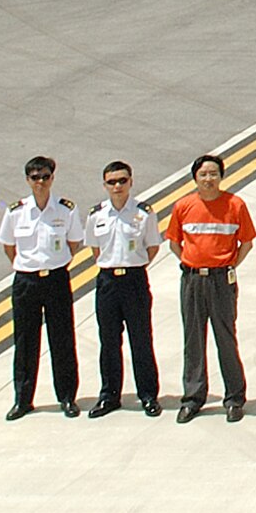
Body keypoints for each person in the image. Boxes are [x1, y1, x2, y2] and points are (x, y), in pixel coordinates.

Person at [164, 153, 256, 423]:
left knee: (225, 338)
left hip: (221, 281)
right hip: (192, 280)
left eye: (213, 173)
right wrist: (191, 262)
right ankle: (193, 398)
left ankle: (234, 398)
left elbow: (246, 243)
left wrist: (228, 266)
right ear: (195, 177)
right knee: (193, 339)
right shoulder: (183, 206)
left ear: (221, 176)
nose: (208, 179)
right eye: (203, 174)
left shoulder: (235, 205)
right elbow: (174, 242)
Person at [0, 155, 85, 420]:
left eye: (45, 176)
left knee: (62, 338)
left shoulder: (65, 209)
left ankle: (67, 397)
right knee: (25, 341)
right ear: (27, 180)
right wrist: (28, 267)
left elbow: (74, 243)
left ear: (52, 178)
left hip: (56, 278)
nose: (41, 182)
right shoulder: (16, 211)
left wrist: (54, 264)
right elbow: (9, 247)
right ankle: (23, 400)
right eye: (35, 178)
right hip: (26, 281)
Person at [84, 160, 163, 418]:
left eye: (122, 181)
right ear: (104, 185)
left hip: (135, 281)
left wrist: (132, 266)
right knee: (108, 341)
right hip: (107, 282)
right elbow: (95, 250)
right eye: (112, 182)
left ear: (131, 181)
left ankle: (148, 395)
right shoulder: (96, 215)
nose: (117, 186)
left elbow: (152, 246)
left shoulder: (144, 212)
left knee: (141, 340)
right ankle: (109, 396)